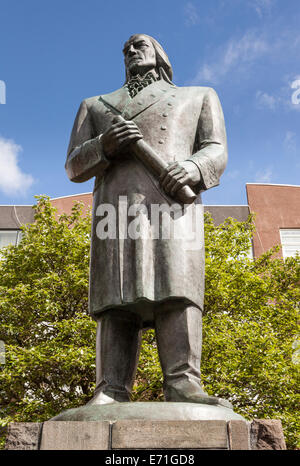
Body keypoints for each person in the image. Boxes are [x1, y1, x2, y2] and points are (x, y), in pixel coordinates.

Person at [65, 34, 228, 406]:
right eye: (125, 49)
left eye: (139, 44)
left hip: (173, 206)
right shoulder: (95, 106)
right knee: (114, 296)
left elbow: (215, 149)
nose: (131, 51)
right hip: (115, 210)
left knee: (177, 287)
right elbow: (74, 165)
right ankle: (110, 387)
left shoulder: (198, 96)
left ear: (159, 53)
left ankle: (184, 383)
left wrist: (192, 167)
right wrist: (105, 145)